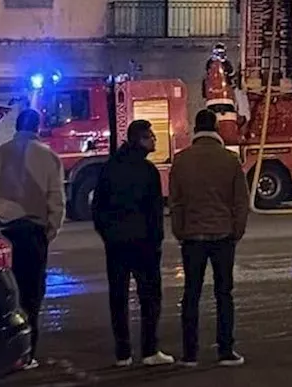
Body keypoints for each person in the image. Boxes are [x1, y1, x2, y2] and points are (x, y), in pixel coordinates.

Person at [0, 108, 65, 370]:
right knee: (32, 296)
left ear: (17, 126)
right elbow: (56, 202)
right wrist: (48, 233)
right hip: (32, 234)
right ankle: (27, 354)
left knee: (3, 294)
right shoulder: (49, 158)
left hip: (1, 234)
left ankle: (1, 353)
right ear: (38, 126)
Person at [169, 109, 249, 367]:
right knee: (224, 293)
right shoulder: (230, 160)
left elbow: (176, 202)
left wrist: (180, 231)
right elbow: (240, 202)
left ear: (195, 128)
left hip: (192, 236)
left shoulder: (181, 160)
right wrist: (236, 231)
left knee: (191, 294)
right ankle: (225, 350)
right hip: (223, 235)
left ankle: (189, 354)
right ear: (215, 129)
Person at [92, 120, 174, 368]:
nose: (154, 140)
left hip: (116, 243)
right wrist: (156, 239)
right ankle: (149, 350)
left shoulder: (110, 167)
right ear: (140, 139)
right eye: (150, 137)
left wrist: (107, 234)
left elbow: (98, 207)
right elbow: (154, 211)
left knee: (118, 298)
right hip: (144, 244)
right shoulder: (147, 170)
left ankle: (123, 353)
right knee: (149, 297)